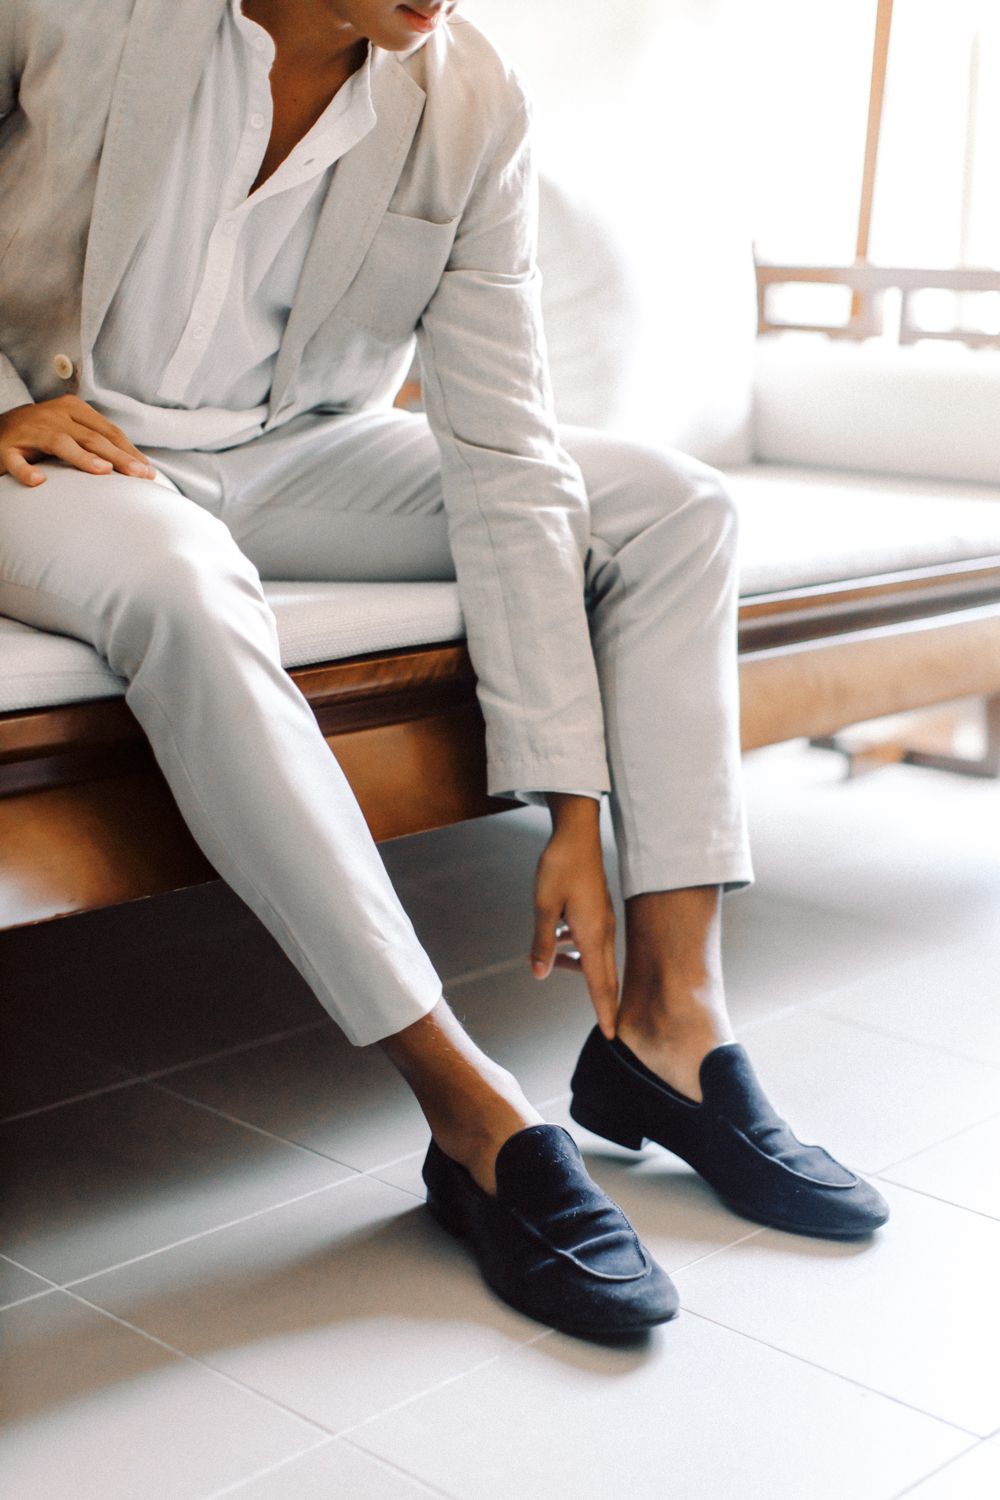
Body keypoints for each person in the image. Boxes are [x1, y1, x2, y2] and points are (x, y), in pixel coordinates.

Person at [0, 0, 888, 1340]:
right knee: (186, 585)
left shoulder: (472, 97)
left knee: (676, 507)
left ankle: (670, 1027)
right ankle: (466, 1108)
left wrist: (571, 799)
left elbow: (507, 454)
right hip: (57, 450)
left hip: (293, 452)